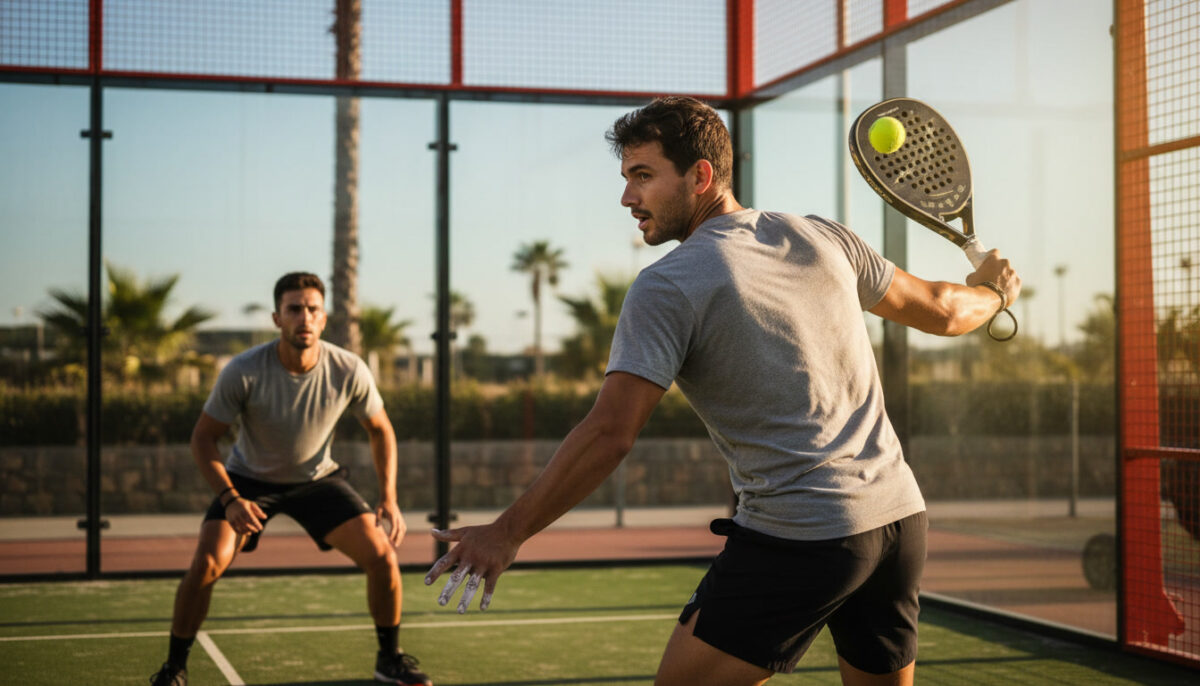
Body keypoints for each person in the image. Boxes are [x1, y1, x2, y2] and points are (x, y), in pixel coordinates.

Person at [424, 96, 1020, 686]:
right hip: (899, 522)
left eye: (643, 176)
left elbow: (610, 432)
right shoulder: (823, 237)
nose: (627, 198)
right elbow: (944, 310)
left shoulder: (668, 285)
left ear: (701, 176)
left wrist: (506, 533)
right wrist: (995, 292)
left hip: (805, 533)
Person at [150, 272, 431, 686]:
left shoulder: (348, 368)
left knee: (383, 557)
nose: (304, 317)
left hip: (318, 481)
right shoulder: (243, 371)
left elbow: (381, 429)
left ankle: (389, 659)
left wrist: (388, 496)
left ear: (324, 318)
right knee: (207, 563)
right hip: (248, 482)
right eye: (294, 309)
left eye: (312, 309)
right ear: (277, 318)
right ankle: (175, 667)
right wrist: (230, 498)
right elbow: (203, 439)